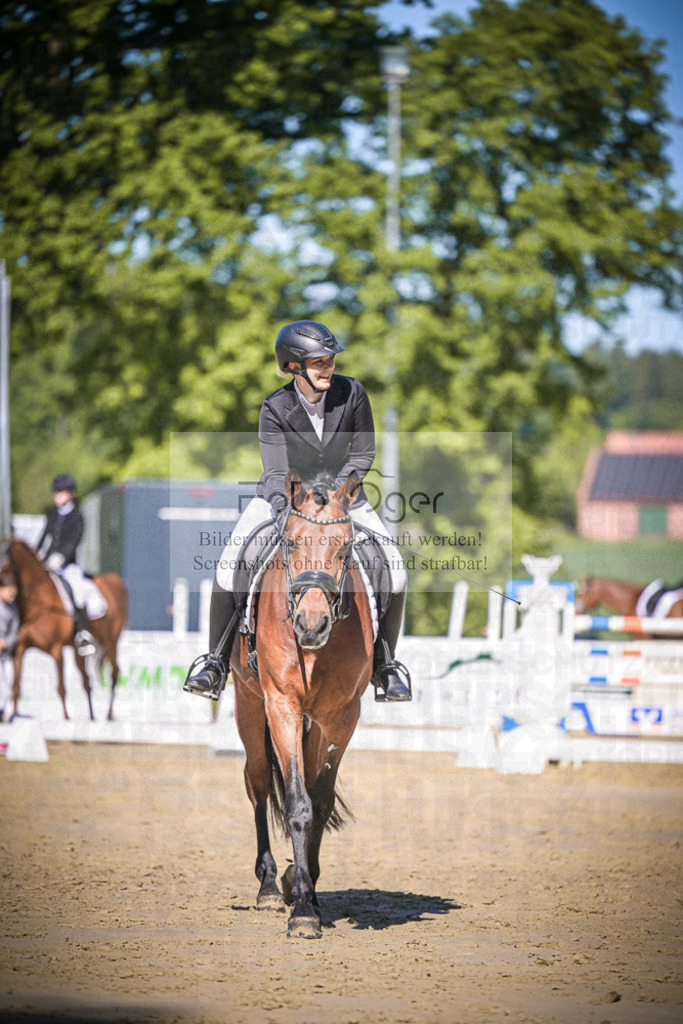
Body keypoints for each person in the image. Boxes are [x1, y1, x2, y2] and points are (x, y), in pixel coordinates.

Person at [185, 318, 411, 702]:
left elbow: (363, 452)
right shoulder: (275, 407)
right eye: (319, 362)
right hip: (286, 498)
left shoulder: (352, 393)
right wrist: (285, 506)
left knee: (397, 569)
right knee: (228, 565)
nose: (329, 368)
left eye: (330, 361)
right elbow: (276, 472)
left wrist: (337, 493)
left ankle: (386, 665)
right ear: (294, 366)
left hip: (344, 497)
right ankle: (215, 663)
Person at [36, 474, 107, 656]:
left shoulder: (77, 517)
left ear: (70, 494)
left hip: (68, 566)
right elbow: (43, 539)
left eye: (60, 492)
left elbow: (74, 541)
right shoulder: (52, 516)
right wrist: (37, 557)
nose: (57, 495)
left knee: (78, 591)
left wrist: (61, 558)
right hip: (49, 565)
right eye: (56, 492)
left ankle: (83, 634)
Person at [0, 570, 20, 723]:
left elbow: (14, 631)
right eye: (9, 592)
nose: (11, 597)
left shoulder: (13, 610)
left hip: (4, 654)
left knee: (6, 689)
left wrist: (6, 642)